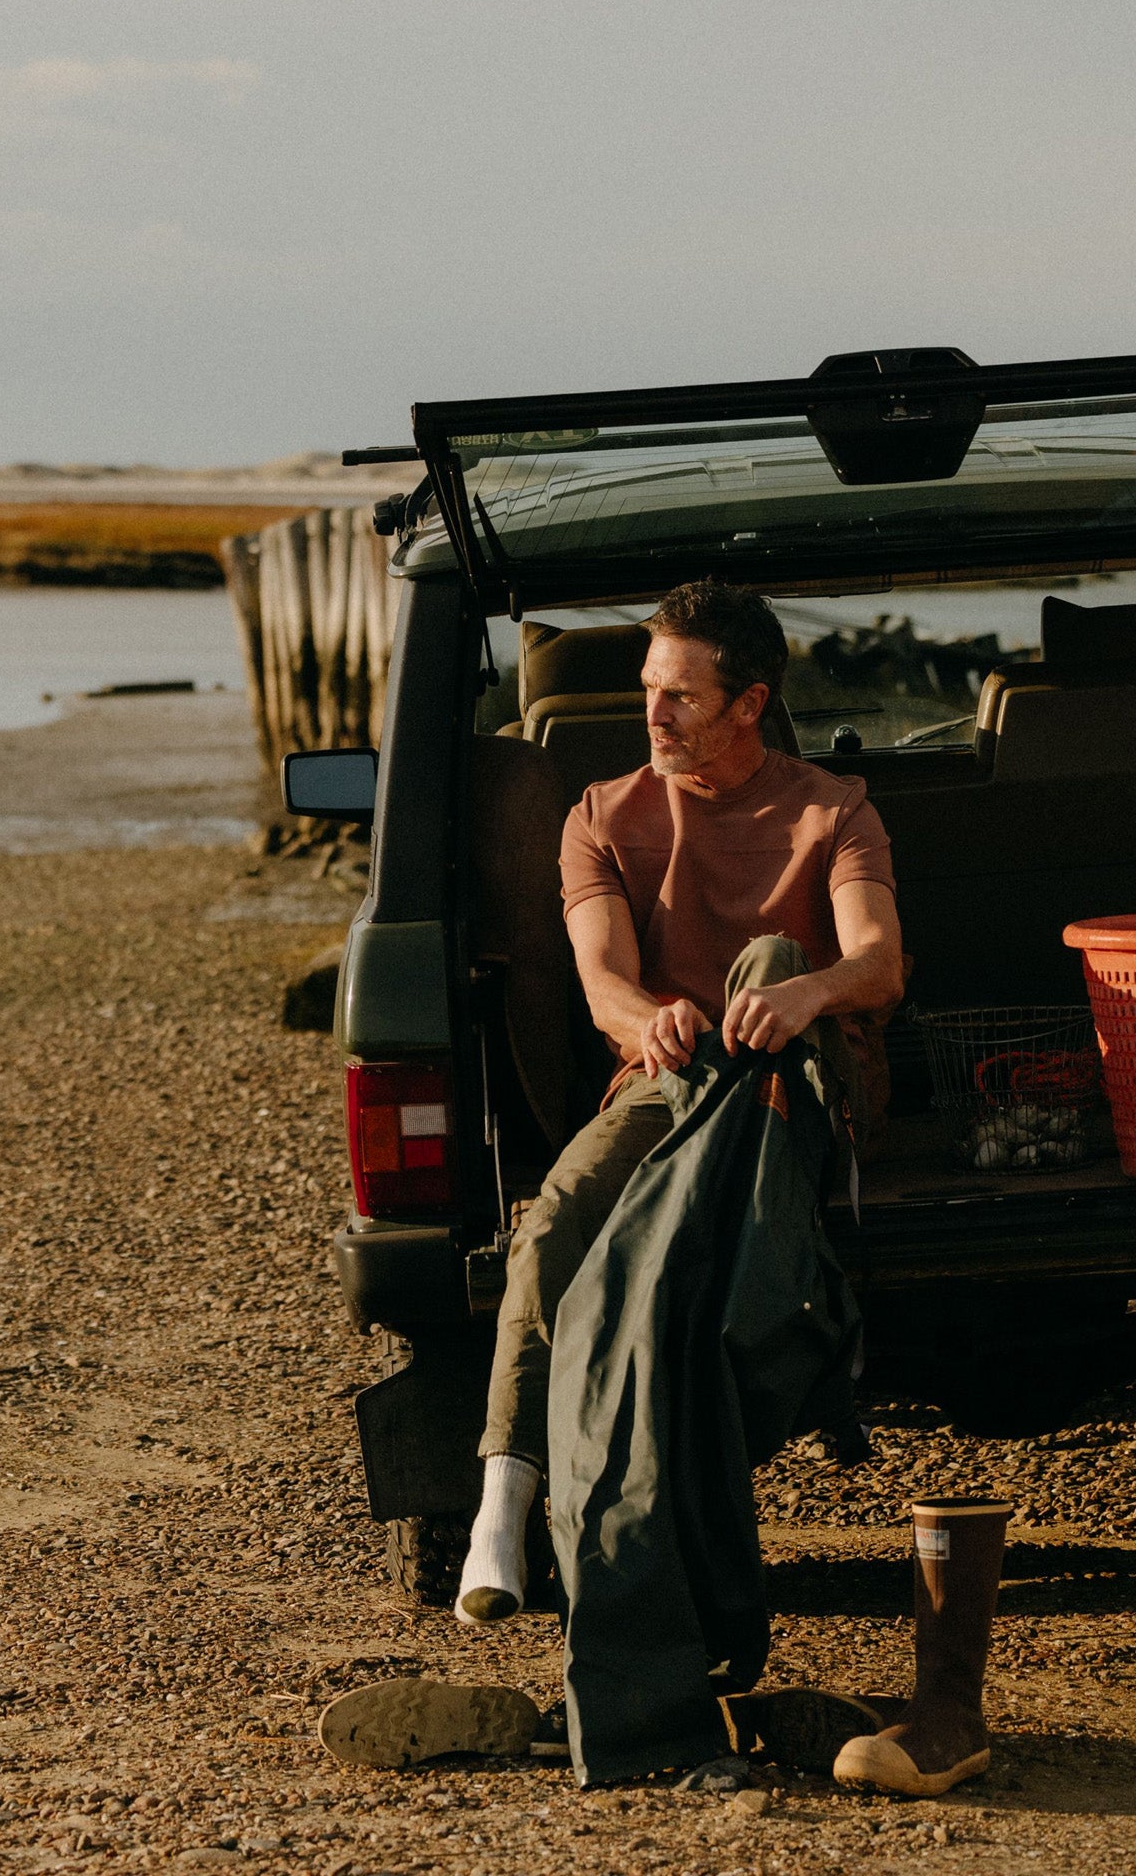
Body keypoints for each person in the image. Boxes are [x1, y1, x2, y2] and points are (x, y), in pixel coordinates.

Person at [455, 577, 905, 1624]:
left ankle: (660, 1502)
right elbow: (600, 976)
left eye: (680, 698)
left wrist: (803, 991)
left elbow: (878, 964)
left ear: (748, 703)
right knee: (556, 1222)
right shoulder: (599, 814)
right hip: (666, 1080)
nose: (652, 716)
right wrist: (642, 1017)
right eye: (647, 690)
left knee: (776, 952)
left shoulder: (832, 808)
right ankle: (502, 1501)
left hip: (804, 1084)